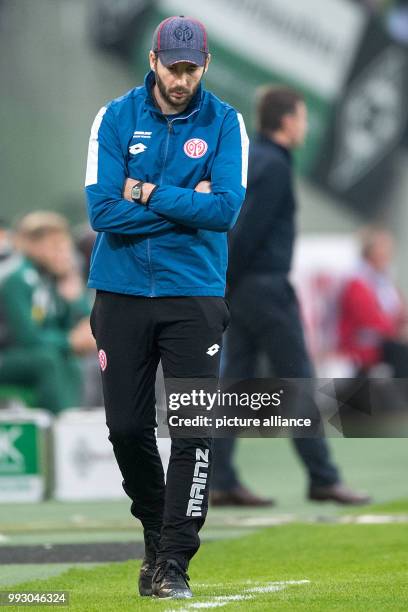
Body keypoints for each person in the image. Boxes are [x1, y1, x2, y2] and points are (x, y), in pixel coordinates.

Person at [84, 15, 248, 600]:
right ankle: (157, 530)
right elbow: (102, 211)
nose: (182, 79)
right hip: (121, 293)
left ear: (203, 65)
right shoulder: (114, 116)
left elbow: (225, 210)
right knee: (127, 428)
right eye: (173, 67)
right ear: (153, 60)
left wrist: (147, 190)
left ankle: (174, 560)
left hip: (193, 296)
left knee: (193, 430)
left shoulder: (227, 123)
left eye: (192, 68)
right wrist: (185, 202)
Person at [211, 86, 371, 508]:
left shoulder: (252, 161)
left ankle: (221, 479)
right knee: (298, 381)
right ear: (286, 121)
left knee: (235, 387)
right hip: (264, 287)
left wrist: (227, 285)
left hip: (243, 290)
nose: (305, 125)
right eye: (302, 117)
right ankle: (322, 477)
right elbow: (247, 232)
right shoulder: (275, 165)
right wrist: (228, 280)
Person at [0, 211, 95, 412]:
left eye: (64, 246)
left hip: (33, 353)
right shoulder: (18, 279)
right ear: (32, 246)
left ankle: (74, 419)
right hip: (7, 355)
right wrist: (70, 341)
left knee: (70, 360)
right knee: (48, 360)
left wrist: (75, 300)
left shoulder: (50, 280)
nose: (63, 253)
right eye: (55, 247)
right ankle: (58, 427)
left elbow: (73, 325)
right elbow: (27, 338)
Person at [339, 227, 408, 375]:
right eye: (383, 248)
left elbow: (399, 309)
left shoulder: (385, 279)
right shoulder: (358, 280)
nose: (388, 253)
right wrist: (396, 331)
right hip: (363, 339)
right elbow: (367, 317)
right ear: (370, 252)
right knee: (402, 351)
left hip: (384, 338)